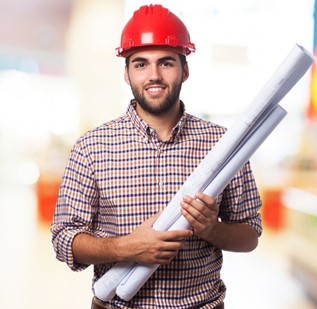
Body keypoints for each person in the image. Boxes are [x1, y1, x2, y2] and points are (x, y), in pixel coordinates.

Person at [51, 4, 262, 309]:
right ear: (126, 73)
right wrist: (127, 247)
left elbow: (249, 235)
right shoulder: (91, 147)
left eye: (166, 63)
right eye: (140, 64)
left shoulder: (223, 145)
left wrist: (211, 229)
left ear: (185, 69)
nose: (154, 76)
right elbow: (63, 239)